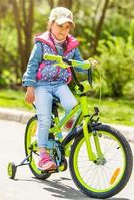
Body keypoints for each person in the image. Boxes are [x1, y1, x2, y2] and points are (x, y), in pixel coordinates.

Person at [22, 7, 85, 171]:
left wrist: (87, 66)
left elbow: (78, 64)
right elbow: (32, 65)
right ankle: (43, 156)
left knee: (73, 107)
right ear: (50, 24)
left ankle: (67, 128)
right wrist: (30, 87)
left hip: (60, 84)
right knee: (45, 120)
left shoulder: (71, 45)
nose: (63, 31)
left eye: (67, 27)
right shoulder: (41, 44)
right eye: (60, 26)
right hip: (42, 86)